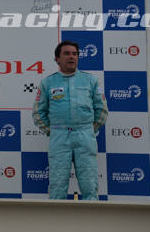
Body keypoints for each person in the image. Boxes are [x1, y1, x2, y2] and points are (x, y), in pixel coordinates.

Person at [33, 40, 108, 200]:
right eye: (66, 53)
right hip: (59, 136)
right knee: (57, 184)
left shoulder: (91, 80)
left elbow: (101, 110)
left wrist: (89, 130)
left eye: (75, 54)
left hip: (85, 135)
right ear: (57, 59)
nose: (72, 57)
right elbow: (38, 113)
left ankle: (90, 215)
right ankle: (57, 215)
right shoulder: (47, 82)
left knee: (89, 183)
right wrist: (52, 131)